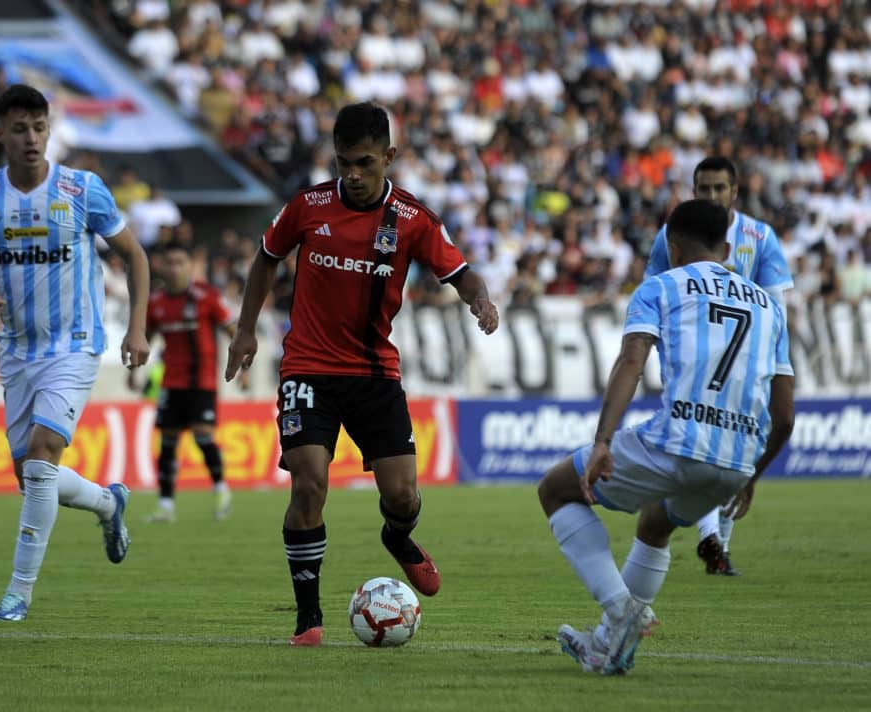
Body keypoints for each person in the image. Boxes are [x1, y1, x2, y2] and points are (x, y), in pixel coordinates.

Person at [224, 102, 500, 647]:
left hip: (374, 373)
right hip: (308, 367)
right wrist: (245, 330)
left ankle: (398, 538)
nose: (351, 174)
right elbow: (265, 258)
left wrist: (481, 301)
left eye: (364, 163)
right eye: (343, 162)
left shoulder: (413, 218)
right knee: (309, 483)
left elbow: (461, 273)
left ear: (389, 158)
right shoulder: (308, 205)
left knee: (404, 496)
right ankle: (308, 619)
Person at [538, 199, 795, 675]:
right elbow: (784, 416)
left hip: (678, 442)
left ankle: (622, 608)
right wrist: (751, 476)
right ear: (727, 248)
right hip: (736, 460)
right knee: (655, 524)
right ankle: (608, 648)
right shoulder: (769, 308)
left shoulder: (660, 286)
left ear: (672, 248)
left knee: (555, 489)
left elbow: (632, 360)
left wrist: (602, 441)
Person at [0, 84, 151, 622]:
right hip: (18, 350)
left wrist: (136, 329)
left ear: (50, 128)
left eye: (40, 127)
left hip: (75, 344)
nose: (32, 138)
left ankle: (18, 593)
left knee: (42, 456)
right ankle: (109, 503)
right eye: (20, 129)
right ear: (0, 134)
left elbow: (134, 256)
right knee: (30, 477)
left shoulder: (82, 189)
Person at [645, 156, 794, 576]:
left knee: (748, 440)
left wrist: (778, 364)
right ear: (694, 191)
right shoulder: (668, 238)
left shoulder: (760, 238)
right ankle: (714, 540)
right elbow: (654, 294)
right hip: (693, 359)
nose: (711, 196)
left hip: (748, 359)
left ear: (735, 193)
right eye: (703, 189)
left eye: (718, 189)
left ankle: (718, 538)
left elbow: (777, 307)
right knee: (704, 440)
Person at [135, 240, 236, 523]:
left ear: (190, 266)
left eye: (181, 262)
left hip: (202, 380)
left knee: (203, 435)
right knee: (167, 442)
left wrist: (243, 365)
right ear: (162, 266)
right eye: (171, 262)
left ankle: (220, 489)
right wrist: (134, 372)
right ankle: (165, 506)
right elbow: (147, 337)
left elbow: (232, 330)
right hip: (171, 382)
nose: (176, 268)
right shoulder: (156, 302)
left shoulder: (206, 295)